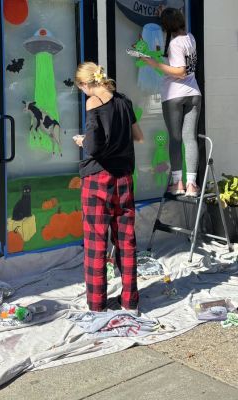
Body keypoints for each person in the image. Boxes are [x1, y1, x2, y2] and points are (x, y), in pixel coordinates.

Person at [72, 62, 144, 313]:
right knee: (126, 240)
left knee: (96, 241)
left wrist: (82, 140)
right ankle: (130, 302)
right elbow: (139, 136)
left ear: (85, 84)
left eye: (80, 86)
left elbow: (93, 146)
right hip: (124, 177)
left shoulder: (93, 103)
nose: (81, 91)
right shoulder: (124, 101)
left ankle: (97, 305)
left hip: (97, 179)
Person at [140, 7, 202, 196]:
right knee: (189, 138)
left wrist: (154, 63)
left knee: (175, 140)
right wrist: (161, 57)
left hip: (175, 95)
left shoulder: (175, 43)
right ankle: (192, 184)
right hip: (194, 93)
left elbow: (180, 71)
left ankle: (178, 183)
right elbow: (182, 63)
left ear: (167, 27)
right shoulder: (190, 38)